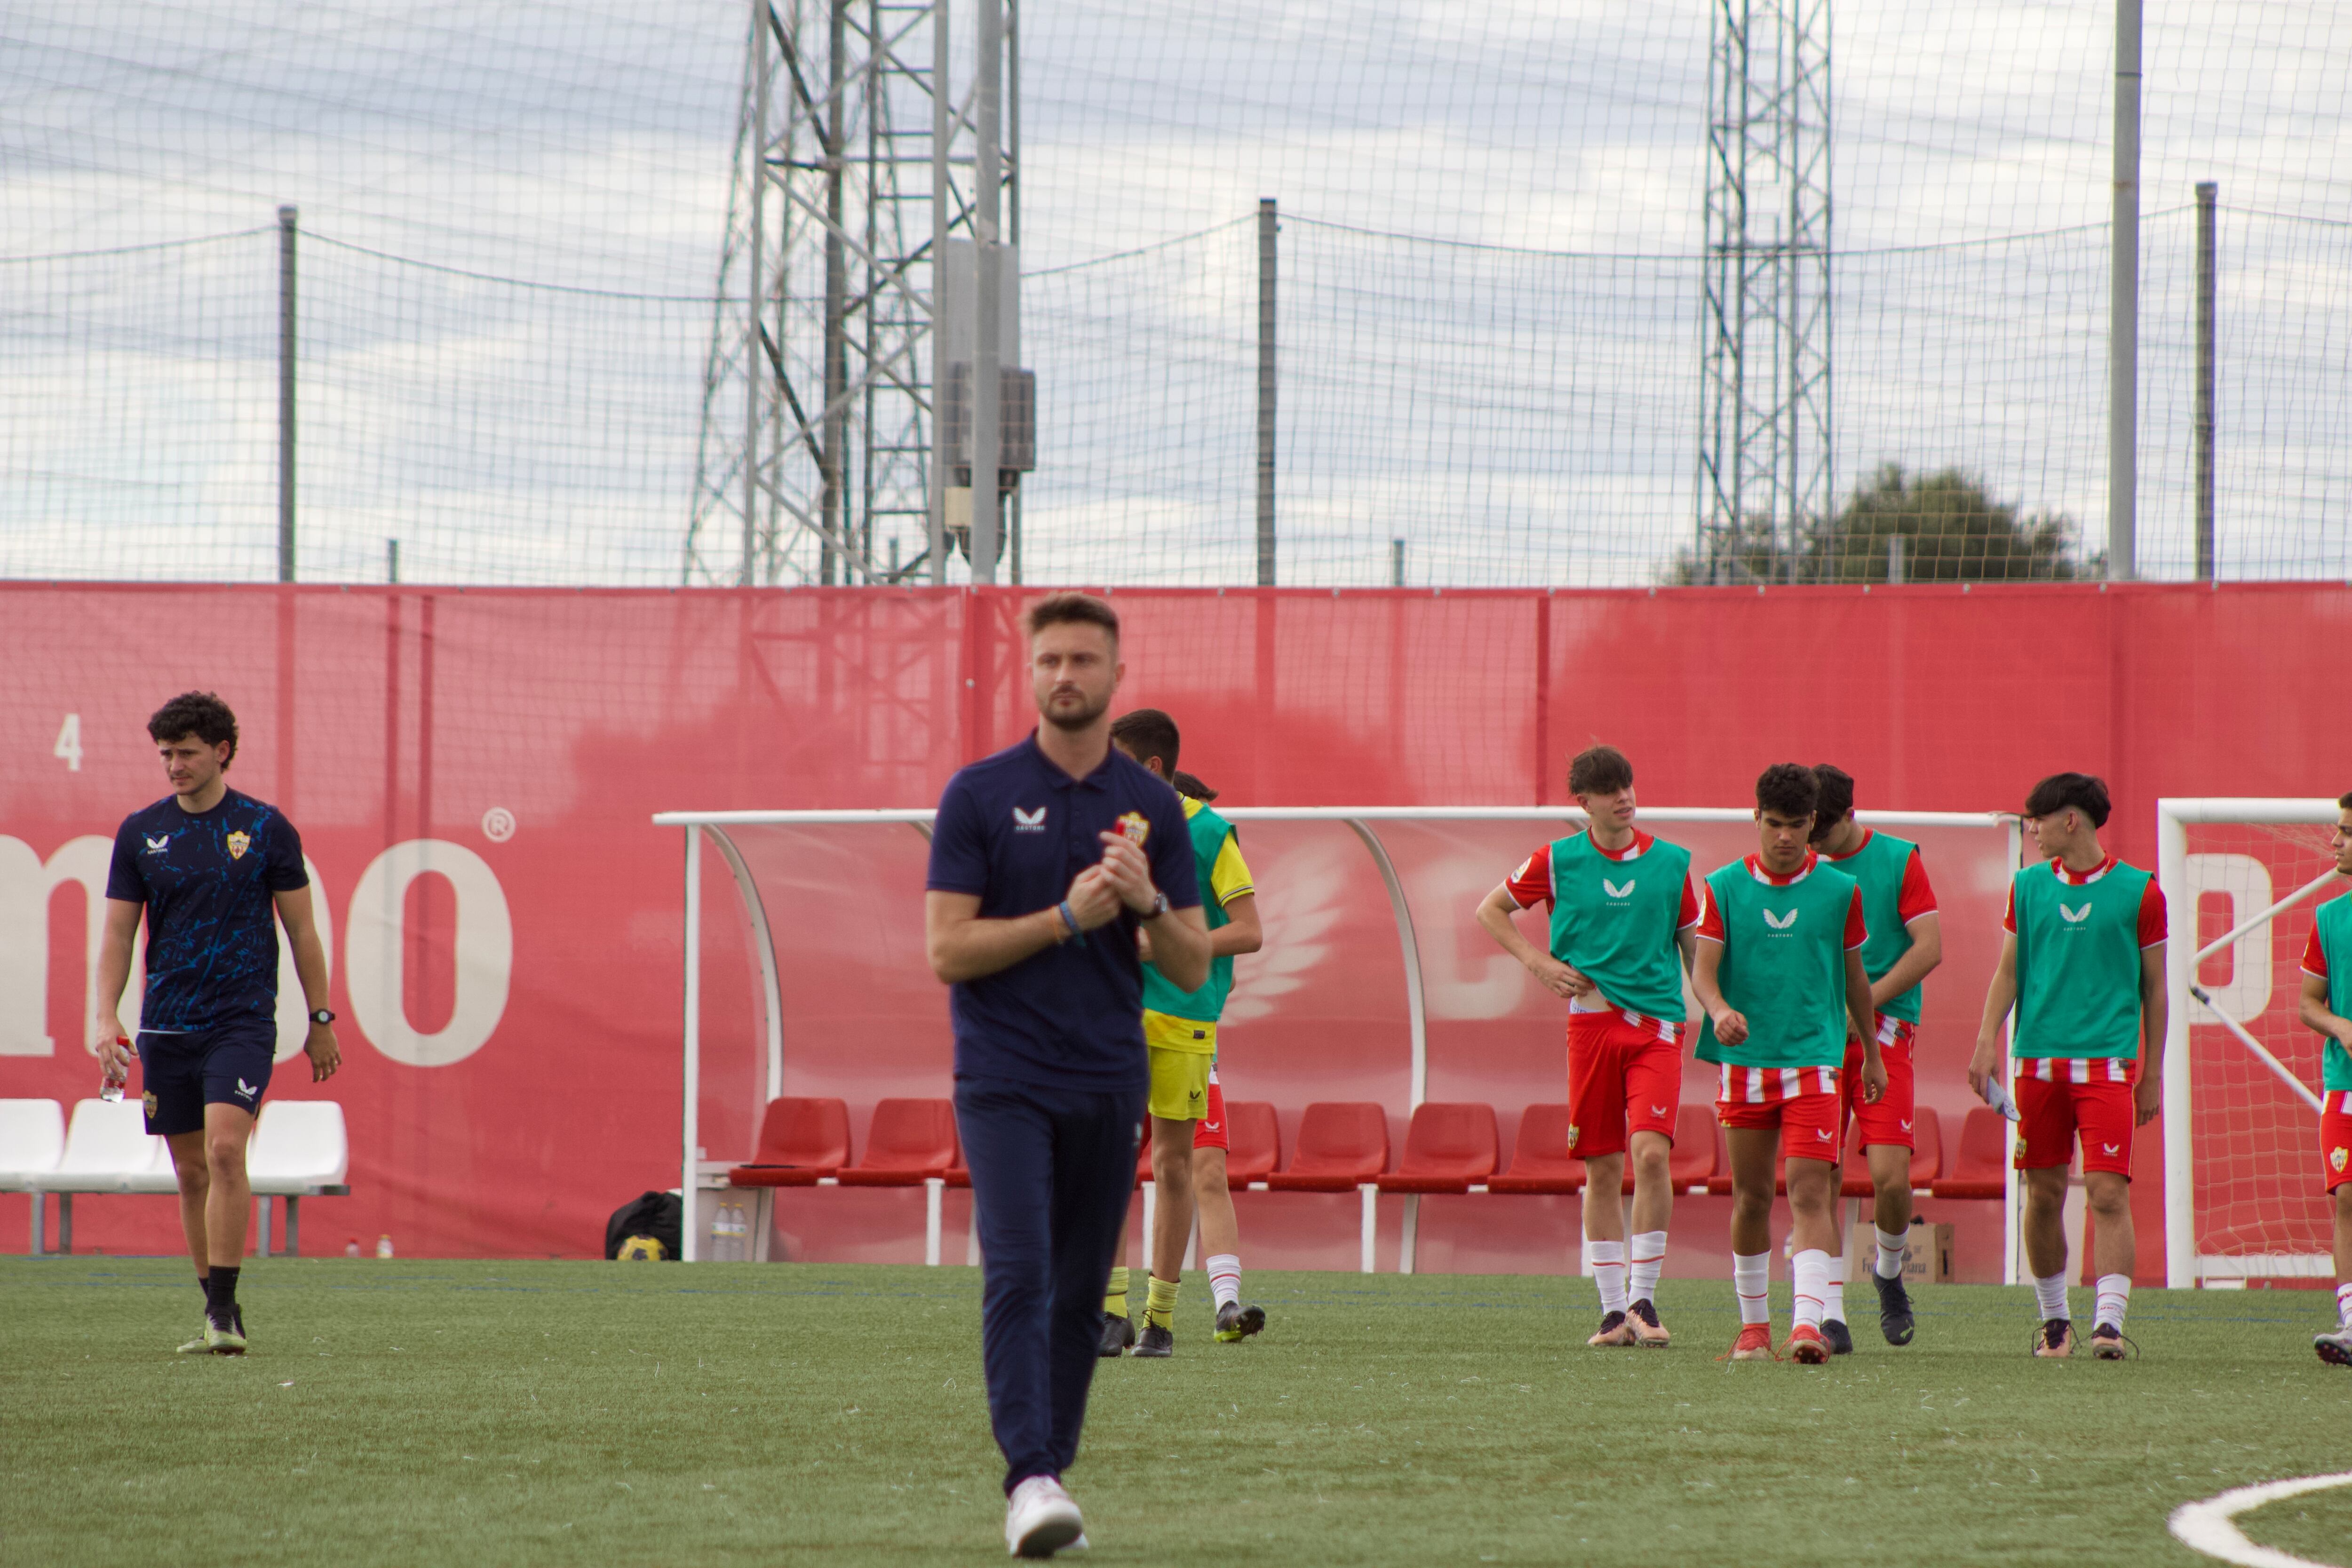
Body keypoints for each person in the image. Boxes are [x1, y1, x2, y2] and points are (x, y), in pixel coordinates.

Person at [924, 593, 1209, 1558]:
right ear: (1029, 669)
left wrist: (1147, 897)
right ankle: (1028, 1476)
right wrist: (1064, 916)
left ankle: (1051, 1468)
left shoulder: (1155, 807)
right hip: (1002, 1076)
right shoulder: (978, 792)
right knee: (1020, 1266)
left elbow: (1192, 963)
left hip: (1108, 1077)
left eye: (1083, 660)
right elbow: (946, 948)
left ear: (1115, 674)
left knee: (1083, 1287)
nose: (1065, 676)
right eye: (1049, 660)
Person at [93, 691, 341, 1356]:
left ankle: (226, 1312)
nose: (174, 765)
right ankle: (212, 1308)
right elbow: (118, 935)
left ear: (222, 751)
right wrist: (104, 1014)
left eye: (187, 753)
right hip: (166, 1026)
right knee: (191, 1170)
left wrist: (321, 1018)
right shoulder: (140, 831)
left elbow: (303, 932)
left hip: (243, 1020)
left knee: (228, 1150)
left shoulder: (264, 828)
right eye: (166, 754)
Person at [1475, 744, 1700, 1347]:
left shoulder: (1672, 863)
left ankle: (1644, 1302)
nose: (1623, 797)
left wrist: (1726, 1007)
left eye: (1626, 784)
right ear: (1584, 803)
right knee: (1602, 1169)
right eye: (1609, 790)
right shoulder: (1555, 861)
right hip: (1589, 1028)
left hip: (1656, 1029)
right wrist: (1537, 963)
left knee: (1650, 1156)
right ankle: (1610, 1314)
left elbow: (1696, 952)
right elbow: (1490, 910)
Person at [1969, 772, 2167, 1361]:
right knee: (2043, 1193)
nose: (2029, 828)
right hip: (2035, 1066)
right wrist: (1986, 1043)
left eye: (2037, 818)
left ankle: (2108, 1325)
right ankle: (2055, 1323)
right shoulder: (2025, 887)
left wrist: (2150, 1072)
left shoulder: (2140, 892)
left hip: (2106, 1067)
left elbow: (2154, 990)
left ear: (2070, 820)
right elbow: (2007, 972)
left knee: (2107, 1193)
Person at [1690, 764, 1883, 1365]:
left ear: (1810, 826)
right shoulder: (1722, 886)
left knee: (1807, 1192)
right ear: (1756, 819)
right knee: (1750, 1197)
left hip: (1813, 1063)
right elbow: (1702, 971)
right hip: (1744, 1063)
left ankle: (1807, 1325)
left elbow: (1855, 980)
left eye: (1795, 826)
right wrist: (1718, 1008)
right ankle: (1752, 1329)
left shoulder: (1838, 891)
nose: (1782, 837)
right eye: (1772, 824)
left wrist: (1871, 1056)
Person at [1096, 715, 1266, 1355]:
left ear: (1154, 770)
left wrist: (1167, 943)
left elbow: (1249, 930)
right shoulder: (1124, 831)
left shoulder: (1212, 833)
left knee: (1174, 1164)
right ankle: (1109, 1316)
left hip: (1187, 1022)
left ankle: (1159, 1321)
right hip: (1114, 1017)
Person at [1810, 765, 1943, 1351]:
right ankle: (1830, 1313)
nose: (1805, 844)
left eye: (1818, 831)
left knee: (1890, 1179)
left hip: (1884, 1032)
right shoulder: (1796, 863)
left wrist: (1862, 1007)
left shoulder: (1897, 859)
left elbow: (1930, 948)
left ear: (1847, 817)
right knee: (1819, 1176)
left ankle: (1887, 1274)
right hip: (1811, 1034)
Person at [2295, 791, 2352, 1367]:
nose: (2334, 841)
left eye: (2346, 832)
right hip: (2344, 1087)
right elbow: (2307, 1004)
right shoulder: (2329, 918)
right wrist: (2340, 1025)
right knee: (2347, 1199)